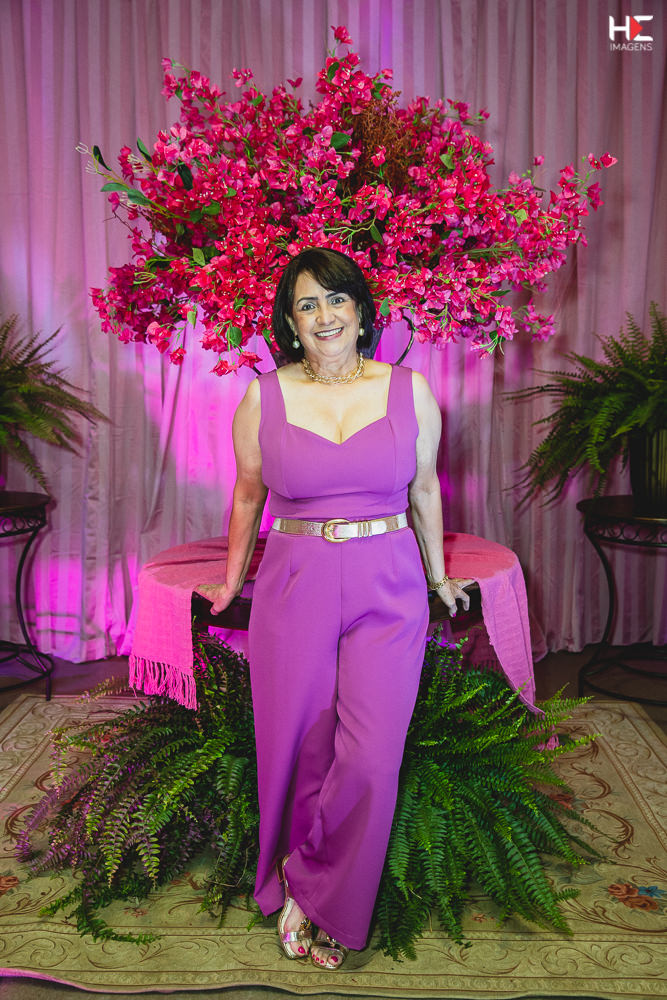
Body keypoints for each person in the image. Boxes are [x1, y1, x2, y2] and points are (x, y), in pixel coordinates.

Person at [197, 247, 470, 969]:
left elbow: (425, 490)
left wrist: (439, 576)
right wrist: (230, 581)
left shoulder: (409, 390)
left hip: (389, 581)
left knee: (372, 757)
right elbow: (247, 495)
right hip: (296, 582)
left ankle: (321, 888)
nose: (325, 315)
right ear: (290, 322)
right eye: (307, 304)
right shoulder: (264, 396)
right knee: (301, 743)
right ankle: (298, 885)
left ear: (361, 311)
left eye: (337, 299)